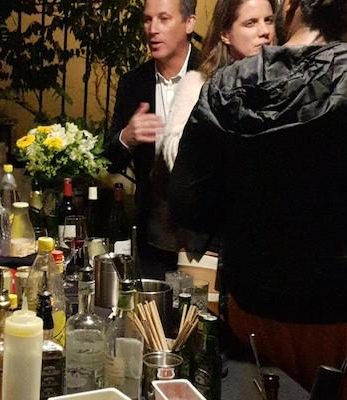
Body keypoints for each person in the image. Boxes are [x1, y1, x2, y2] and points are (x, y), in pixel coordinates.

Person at [169, 0, 347, 397]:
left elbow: (189, 202)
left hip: (253, 309)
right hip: (343, 312)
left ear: (290, 7)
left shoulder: (226, 83)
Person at [104, 0, 199, 279]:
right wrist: (127, 137)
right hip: (153, 237)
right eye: (147, 20)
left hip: (204, 236)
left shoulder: (213, 74)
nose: (152, 29)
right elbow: (110, 159)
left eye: (164, 19)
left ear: (189, 23)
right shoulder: (133, 83)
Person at [160, 0, 276, 172]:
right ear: (225, 34)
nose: (265, 31)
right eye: (251, 23)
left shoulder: (284, 81)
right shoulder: (198, 84)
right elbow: (175, 153)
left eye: (268, 20)